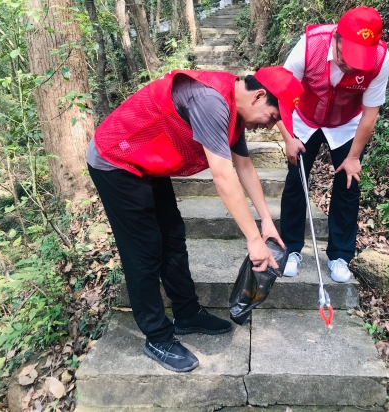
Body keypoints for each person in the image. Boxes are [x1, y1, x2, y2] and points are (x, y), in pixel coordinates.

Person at [86, 66, 304, 372]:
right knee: (145, 250)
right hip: (115, 159)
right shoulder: (211, 102)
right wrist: (253, 240)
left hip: (147, 161)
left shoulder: (234, 112)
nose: (270, 126)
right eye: (272, 117)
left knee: (172, 236)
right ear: (258, 96)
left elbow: (244, 167)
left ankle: (186, 313)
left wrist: (266, 221)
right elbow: (224, 177)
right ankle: (157, 337)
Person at [276, 6, 389, 282]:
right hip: (305, 118)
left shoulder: (380, 59)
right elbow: (279, 94)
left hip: (346, 123)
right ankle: (291, 249)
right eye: (346, 56)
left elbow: (370, 113)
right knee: (296, 180)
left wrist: (353, 157)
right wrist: (289, 138)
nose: (350, 66)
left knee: (349, 184)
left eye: (358, 60)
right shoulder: (309, 46)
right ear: (336, 38)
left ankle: (340, 255)